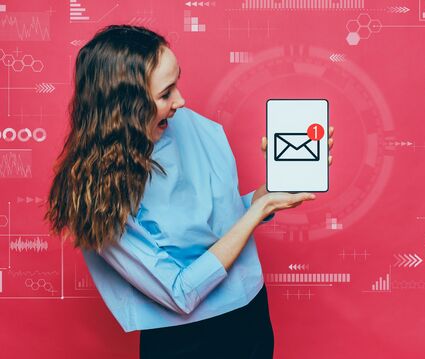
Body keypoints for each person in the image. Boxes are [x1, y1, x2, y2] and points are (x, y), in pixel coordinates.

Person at [45, 25, 334, 358]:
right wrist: (258, 211)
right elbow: (180, 293)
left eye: (176, 83)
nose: (180, 101)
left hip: (250, 313)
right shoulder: (97, 194)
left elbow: (221, 218)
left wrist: (271, 192)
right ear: (124, 108)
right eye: (166, 93)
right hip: (184, 341)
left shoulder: (184, 124)